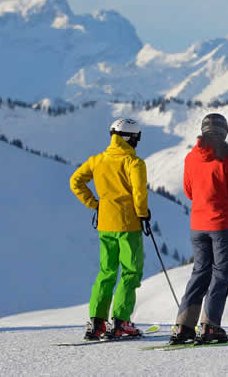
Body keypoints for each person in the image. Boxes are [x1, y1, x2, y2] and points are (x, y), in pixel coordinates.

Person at [169, 113, 228, 345]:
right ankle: (209, 326)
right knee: (222, 274)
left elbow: (189, 193)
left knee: (199, 273)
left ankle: (183, 326)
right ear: (223, 132)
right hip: (221, 225)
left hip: (197, 225)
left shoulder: (191, 157)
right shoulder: (226, 158)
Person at [70, 118, 150, 340]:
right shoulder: (134, 163)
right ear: (130, 138)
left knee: (106, 272)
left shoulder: (97, 160)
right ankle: (121, 321)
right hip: (128, 225)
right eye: (136, 138)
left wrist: (95, 203)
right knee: (130, 272)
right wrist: (143, 214)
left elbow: (76, 181)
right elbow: (139, 193)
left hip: (105, 224)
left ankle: (96, 323)